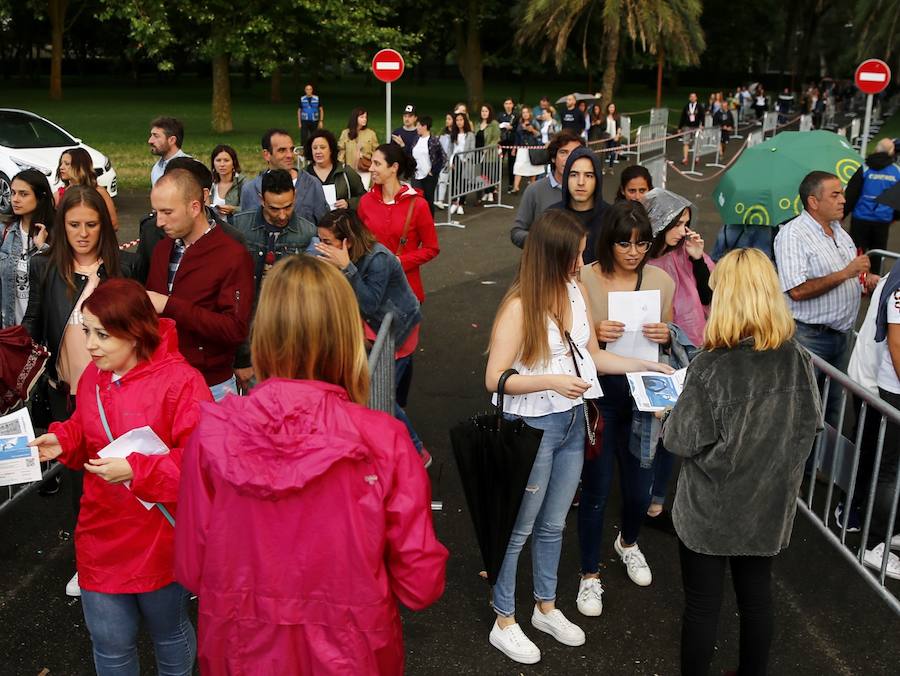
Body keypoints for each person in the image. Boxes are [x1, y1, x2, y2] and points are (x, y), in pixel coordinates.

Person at [174, 254, 447, 674]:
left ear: (264, 331)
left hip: (240, 651)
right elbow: (420, 584)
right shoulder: (383, 439)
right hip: (353, 652)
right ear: (347, 334)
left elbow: (194, 569)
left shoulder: (212, 436)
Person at [485, 210, 671, 664]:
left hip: (572, 421)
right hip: (535, 426)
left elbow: (593, 359)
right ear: (553, 255)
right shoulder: (518, 306)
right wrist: (549, 381)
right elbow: (495, 378)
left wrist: (645, 365)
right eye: (575, 255)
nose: (581, 262)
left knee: (552, 525)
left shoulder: (573, 291)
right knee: (519, 526)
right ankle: (503, 619)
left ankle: (545, 607)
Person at [31, 278, 213, 676]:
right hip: (102, 528)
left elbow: (202, 460)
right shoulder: (93, 377)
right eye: (87, 332)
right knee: (111, 645)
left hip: (159, 534)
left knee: (169, 633)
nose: (91, 345)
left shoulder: (182, 382)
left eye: (102, 335)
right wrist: (63, 439)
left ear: (135, 332)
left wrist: (138, 469)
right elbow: (85, 426)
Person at [663, 248, 821, 676]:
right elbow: (810, 426)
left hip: (710, 511)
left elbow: (680, 440)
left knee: (701, 606)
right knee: (757, 600)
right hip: (768, 505)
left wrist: (669, 415)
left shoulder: (711, 367)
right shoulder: (798, 359)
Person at [24, 186, 124, 597]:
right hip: (67, 396)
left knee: (121, 480)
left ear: (104, 225)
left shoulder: (123, 268)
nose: (83, 233)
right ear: (61, 225)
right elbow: (33, 321)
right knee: (81, 486)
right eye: (74, 225)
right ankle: (88, 565)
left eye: (91, 224)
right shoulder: (46, 267)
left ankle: (129, 561)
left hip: (118, 398)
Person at [576, 201, 675, 616]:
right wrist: (595, 333)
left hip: (644, 394)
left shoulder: (660, 278)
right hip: (601, 393)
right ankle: (589, 576)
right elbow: (575, 340)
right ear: (608, 241)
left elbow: (667, 334)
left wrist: (665, 333)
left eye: (642, 243)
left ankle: (628, 543)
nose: (634, 252)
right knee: (597, 490)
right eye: (624, 243)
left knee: (639, 491)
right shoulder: (585, 278)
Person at [315, 209, 431, 467]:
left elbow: (368, 303)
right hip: (370, 331)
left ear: (347, 242)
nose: (320, 247)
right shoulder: (345, 255)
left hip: (395, 330)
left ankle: (417, 450)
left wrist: (346, 267)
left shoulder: (378, 258)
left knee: (379, 394)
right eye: (319, 240)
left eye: (326, 242)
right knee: (380, 391)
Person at [774, 171, 878, 425]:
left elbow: (846, 274)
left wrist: (865, 280)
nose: (843, 199)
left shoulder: (839, 231)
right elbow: (796, 291)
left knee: (833, 411)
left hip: (840, 336)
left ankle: (824, 463)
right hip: (809, 338)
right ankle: (803, 465)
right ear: (813, 202)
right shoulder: (792, 235)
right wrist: (846, 273)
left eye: (842, 193)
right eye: (835, 194)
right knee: (803, 411)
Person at [146, 170, 255, 401]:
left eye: (167, 212)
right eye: (156, 212)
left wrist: (170, 305)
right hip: (162, 382)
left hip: (211, 387)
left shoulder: (232, 255)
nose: (159, 221)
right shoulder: (161, 250)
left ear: (195, 208)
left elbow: (234, 329)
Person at [643, 189, 714, 528]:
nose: (684, 230)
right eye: (677, 223)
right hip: (650, 354)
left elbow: (708, 295)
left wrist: (699, 258)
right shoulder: (640, 261)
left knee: (673, 429)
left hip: (689, 350)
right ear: (658, 223)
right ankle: (642, 498)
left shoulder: (687, 254)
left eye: (687, 223)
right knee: (649, 431)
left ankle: (655, 503)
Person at [133, 158, 247, 286]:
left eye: (168, 212)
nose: (160, 222)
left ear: (202, 196)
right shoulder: (151, 232)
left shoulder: (232, 241)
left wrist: (167, 303)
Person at [863, 263, 900, 577]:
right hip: (896, 391)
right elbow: (897, 343)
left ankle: (892, 530)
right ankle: (873, 544)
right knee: (887, 469)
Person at [510, 129, 585, 247]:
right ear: (554, 158)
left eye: (574, 153)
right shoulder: (534, 190)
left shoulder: (588, 190)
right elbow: (517, 232)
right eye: (563, 152)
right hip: (541, 262)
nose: (569, 158)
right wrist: (542, 240)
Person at [240, 128, 328, 225]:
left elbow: (324, 225)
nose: (290, 155)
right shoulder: (250, 189)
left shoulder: (312, 184)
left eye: (291, 149)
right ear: (267, 155)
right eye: (282, 150)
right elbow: (246, 227)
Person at [1, 169, 53, 328]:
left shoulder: (57, 232)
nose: (15, 199)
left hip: (44, 331)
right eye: (14, 193)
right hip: (10, 327)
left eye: (23, 194)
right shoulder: (5, 232)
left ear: (40, 196)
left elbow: (59, 280)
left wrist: (43, 248)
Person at [844, 138, 900, 273]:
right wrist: (894, 217)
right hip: (882, 220)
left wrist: (843, 214)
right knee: (878, 254)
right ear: (892, 152)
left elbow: (852, 193)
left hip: (860, 218)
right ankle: (874, 284)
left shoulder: (864, 168)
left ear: (876, 149)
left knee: (857, 252)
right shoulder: (897, 171)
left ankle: (857, 281)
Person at [552, 146, 608, 264]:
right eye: (574, 175)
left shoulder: (612, 218)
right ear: (566, 177)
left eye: (589, 175)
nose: (581, 182)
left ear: (597, 179)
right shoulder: (551, 217)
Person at [55, 147, 119, 230]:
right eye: (61, 163)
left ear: (81, 167)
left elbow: (113, 224)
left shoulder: (99, 193)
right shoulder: (59, 194)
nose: (61, 167)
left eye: (67, 164)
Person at [304, 129, 366, 211]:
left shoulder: (346, 172)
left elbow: (364, 198)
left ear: (331, 150)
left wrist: (348, 203)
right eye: (315, 148)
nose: (318, 151)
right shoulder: (304, 175)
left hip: (341, 221)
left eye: (322, 148)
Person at [411, 116, 446, 215]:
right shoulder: (416, 139)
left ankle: (429, 222)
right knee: (417, 200)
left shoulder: (433, 141)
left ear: (424, 126)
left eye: (418, 125)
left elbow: (443, 158)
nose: (416, 127)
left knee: (428, 200)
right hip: (416, 175)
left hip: (429, 176)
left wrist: (433, 171)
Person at [338, 108, 379, 187]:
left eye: (366, 117)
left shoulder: (371, 134)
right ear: (355, 118)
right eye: (362, 117)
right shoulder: (346, 133)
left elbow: (376, 152)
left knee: (364, 190)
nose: (365, 119)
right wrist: (340, 166)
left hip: (365, 168)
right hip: (350, 170)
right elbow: (341, 151)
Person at [510, 106, 544, 194]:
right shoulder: (520, 123)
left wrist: (532, 130)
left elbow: (539, 134)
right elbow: (517, 137)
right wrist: (514, 148)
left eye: (526, 112)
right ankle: (515, 187)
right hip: (521, 148)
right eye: (523, 112)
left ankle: (533, 186)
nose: (525, 114)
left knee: (532, 167)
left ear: (530, 113)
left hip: (532, 148)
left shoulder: (534, 122)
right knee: (518, 166)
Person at [448, 112, 476, 216]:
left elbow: (472, 149)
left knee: (463, 183)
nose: (459, 122)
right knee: (454, 182)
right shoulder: (453, 134)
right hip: (455, 160)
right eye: (457, 120)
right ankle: (454, 202)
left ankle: (461, 203)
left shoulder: (470, 135)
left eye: (461, 120)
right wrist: (450, 161)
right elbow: (450, 149)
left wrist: (466, 159)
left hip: (465, 161)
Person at [208, 144, 244, 221]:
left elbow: (251, 210)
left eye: (226, 160)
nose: (222, 164)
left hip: (235, 228)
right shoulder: (210, 183)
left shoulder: (243, 183)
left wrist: (233, 209)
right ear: (213, 164)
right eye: (218, 160)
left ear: (233, 163)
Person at [148, 116, 187, 186]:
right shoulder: (157, 168)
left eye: (156, 136)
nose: (150, 141)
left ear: (172, 140)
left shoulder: (189, 169)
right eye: (151, 136)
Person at [477, 104, 501, 204]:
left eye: (486, 111)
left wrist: (487, 148)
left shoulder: (494, 124)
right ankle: (486, 191)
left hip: (489, 153)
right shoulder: (478, 124)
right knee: (481, 174)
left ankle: (491, 192)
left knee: (489, 173)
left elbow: (496, 138)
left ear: (490, 112)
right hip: (478, 153)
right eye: (482, 111)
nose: (484, 113)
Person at [497, 98, 519, 191]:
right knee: (498, 163)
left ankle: (511, 184)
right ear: (504, 105)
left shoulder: (516, 115)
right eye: (506, 103)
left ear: (513, 105)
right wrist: (502, 126)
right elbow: (496, 125)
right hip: (502, 142)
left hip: (512, 141)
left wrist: (512, 127)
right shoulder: (500, 115)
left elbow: (518, 128)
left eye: (510, 103)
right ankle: (496, 184)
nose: (508, 105)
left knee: (512, 163)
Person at [678, 93, 704, 166]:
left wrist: (702, 125)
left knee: (697, 142)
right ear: (689, 98)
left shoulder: (699, 106)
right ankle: (685, 158)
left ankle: (697, 157)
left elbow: (702, 116)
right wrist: (680, 127)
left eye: (694, 97)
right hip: (687, 126)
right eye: (691, 97)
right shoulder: (686, 106)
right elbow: (683, 117)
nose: (692, 98)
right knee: (685, 142)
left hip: (696, 127)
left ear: (696, 98)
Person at [297, 83, 323, 148]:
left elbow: (321, 110)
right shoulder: (302, 99)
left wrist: (321, 121)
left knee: (314, 137)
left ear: (312, 90)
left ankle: (313, 149)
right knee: (303, 137)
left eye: (310, 89)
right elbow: (299, 111)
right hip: (304, 120)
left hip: (314, 120)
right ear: (305, 90)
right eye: (307, 89)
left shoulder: (317, 98)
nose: (308, 91)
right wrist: (299, 122)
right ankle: (303, 150)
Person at [602, 103, 621, 168]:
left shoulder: (617, 117)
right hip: (606, 137)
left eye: (613, 107)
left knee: (612, 153)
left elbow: (619, 126)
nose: (612, 109)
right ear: (608, 108)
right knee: (604, 153)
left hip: (613, 137)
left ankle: (611, 167)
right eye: (610, 107)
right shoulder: (604, 116)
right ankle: (603, 167)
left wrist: (618, 135)